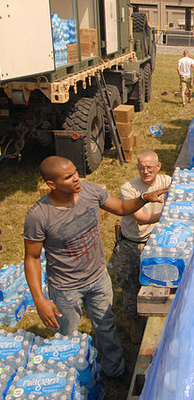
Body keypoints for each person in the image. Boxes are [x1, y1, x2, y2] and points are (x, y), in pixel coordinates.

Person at [23, 156, 167, 380]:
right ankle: (71, 381)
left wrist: (144, 198)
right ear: (51, 184)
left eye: (75, 172)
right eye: (68, 177)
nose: (76, 179)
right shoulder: (39, 216)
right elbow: (31, 258)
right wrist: (40, 300)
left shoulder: (90, 191)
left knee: (106, 327)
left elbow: (120, 208)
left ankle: (115, 371)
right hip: (65, 288)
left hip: (99, 277)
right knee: (66, 337)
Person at [112, 150, 170, 344]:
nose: (146, 171)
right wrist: (163, 217)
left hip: (156, 243)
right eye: (142, 168)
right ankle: (134, 321)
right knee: (130, 285)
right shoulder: (128, 188)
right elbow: (140, 218)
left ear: (158, 166)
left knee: (157, 283)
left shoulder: (166, 182)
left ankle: (154, 317)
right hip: (132, 244)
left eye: (150, 167)